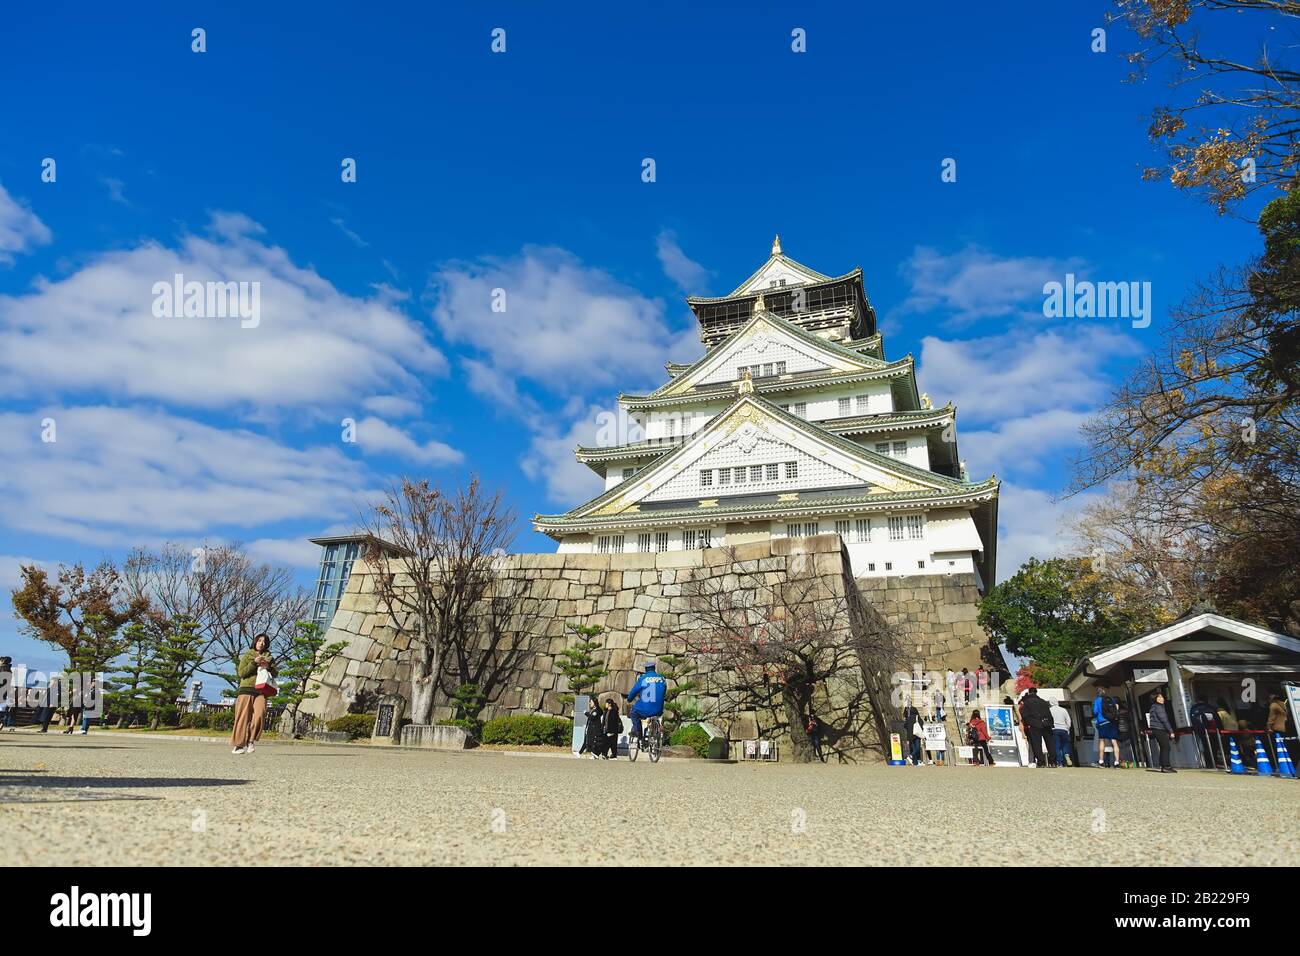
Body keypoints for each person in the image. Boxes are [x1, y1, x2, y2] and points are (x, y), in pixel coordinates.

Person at [231, 633, 277, 755]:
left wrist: (268, 667)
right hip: (246, 689)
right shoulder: (248, 655)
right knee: (242, 717)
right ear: (255, 642)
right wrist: (254, 663)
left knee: (260, 714)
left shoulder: (269, 657)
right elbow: (241, 673)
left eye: (264, 641)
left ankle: (251, 741)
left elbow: (275, 673)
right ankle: (238, 745)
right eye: (259, 641)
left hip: (262, 690)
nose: (261, 643)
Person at [625, 660, 665, 746]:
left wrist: (629, 699)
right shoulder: (662, 678)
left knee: (634, 712)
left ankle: (638, 735)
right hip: (658, 709)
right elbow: (663, 691)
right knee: (656, 714)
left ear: (646, 669)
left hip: (645, 709)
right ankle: (655, 733)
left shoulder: (643, 679)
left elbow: (634, 691)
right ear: (654, 668)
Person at [1019, 688, 1054, 768]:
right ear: (1036, 692)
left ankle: (1041, 762)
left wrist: (1029, 722)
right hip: (1046, 724)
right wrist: (1050, 723)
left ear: (1029, 693)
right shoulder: (1043, 701)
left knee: (1037, 744)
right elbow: (1049, 713)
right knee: (1050, 743)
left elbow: (1024, 714)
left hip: (1034, 724)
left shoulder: (1027, 702)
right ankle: (1053, 761)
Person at [1147, 690, 1176, 772]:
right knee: (1166, 747)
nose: (1162, 698)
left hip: (1156, 729)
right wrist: (1171, 731)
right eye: (1159, 697)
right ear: (1155, 699)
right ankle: (1166, 766)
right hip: (1160, 729)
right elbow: (1164, 720)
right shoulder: (1159, 707)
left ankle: (1164, 765)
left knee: (1164, 747)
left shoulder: (1153, 707)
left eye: (1162, 697)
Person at [1093, 686, 1121, 768]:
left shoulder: (1097, 701)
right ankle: (1117, 762)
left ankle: (1101, 761)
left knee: (1102, 741)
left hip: (1102, 723)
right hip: (1111, 722)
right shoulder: (1111, 699)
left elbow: (1095, 712)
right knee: (1114, 742)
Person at [1189, 697, 1220, 767]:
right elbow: (1217, 719)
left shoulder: (1193, 708)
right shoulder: (1210, 707)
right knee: (1214, 746)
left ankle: (1208, 763)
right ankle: (1214, 762)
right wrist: (1220, 729)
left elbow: (1193, 720)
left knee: (1205, 746)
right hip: (1212, 730)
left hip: (1200, 730)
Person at [1049, 696, 1073, 768]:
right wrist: (1067, 728)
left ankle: (1060, 762)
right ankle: (1067, 754)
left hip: (1054, 729)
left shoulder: (1049, 710)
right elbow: (1068, 720)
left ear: (1050, 703)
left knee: (1057, 746)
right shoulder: (1063, 710)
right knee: (1065, 744)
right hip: (1064, 729)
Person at [901, 700, 925, 765]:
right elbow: (921, 723)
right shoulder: (917, 717)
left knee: (913, 748)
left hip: (910, 735)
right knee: (917, 748)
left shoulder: (908, 718)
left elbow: (905, 726)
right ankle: (910, 756)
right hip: (916, 734)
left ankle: (915, 762)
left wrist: (909, 729)